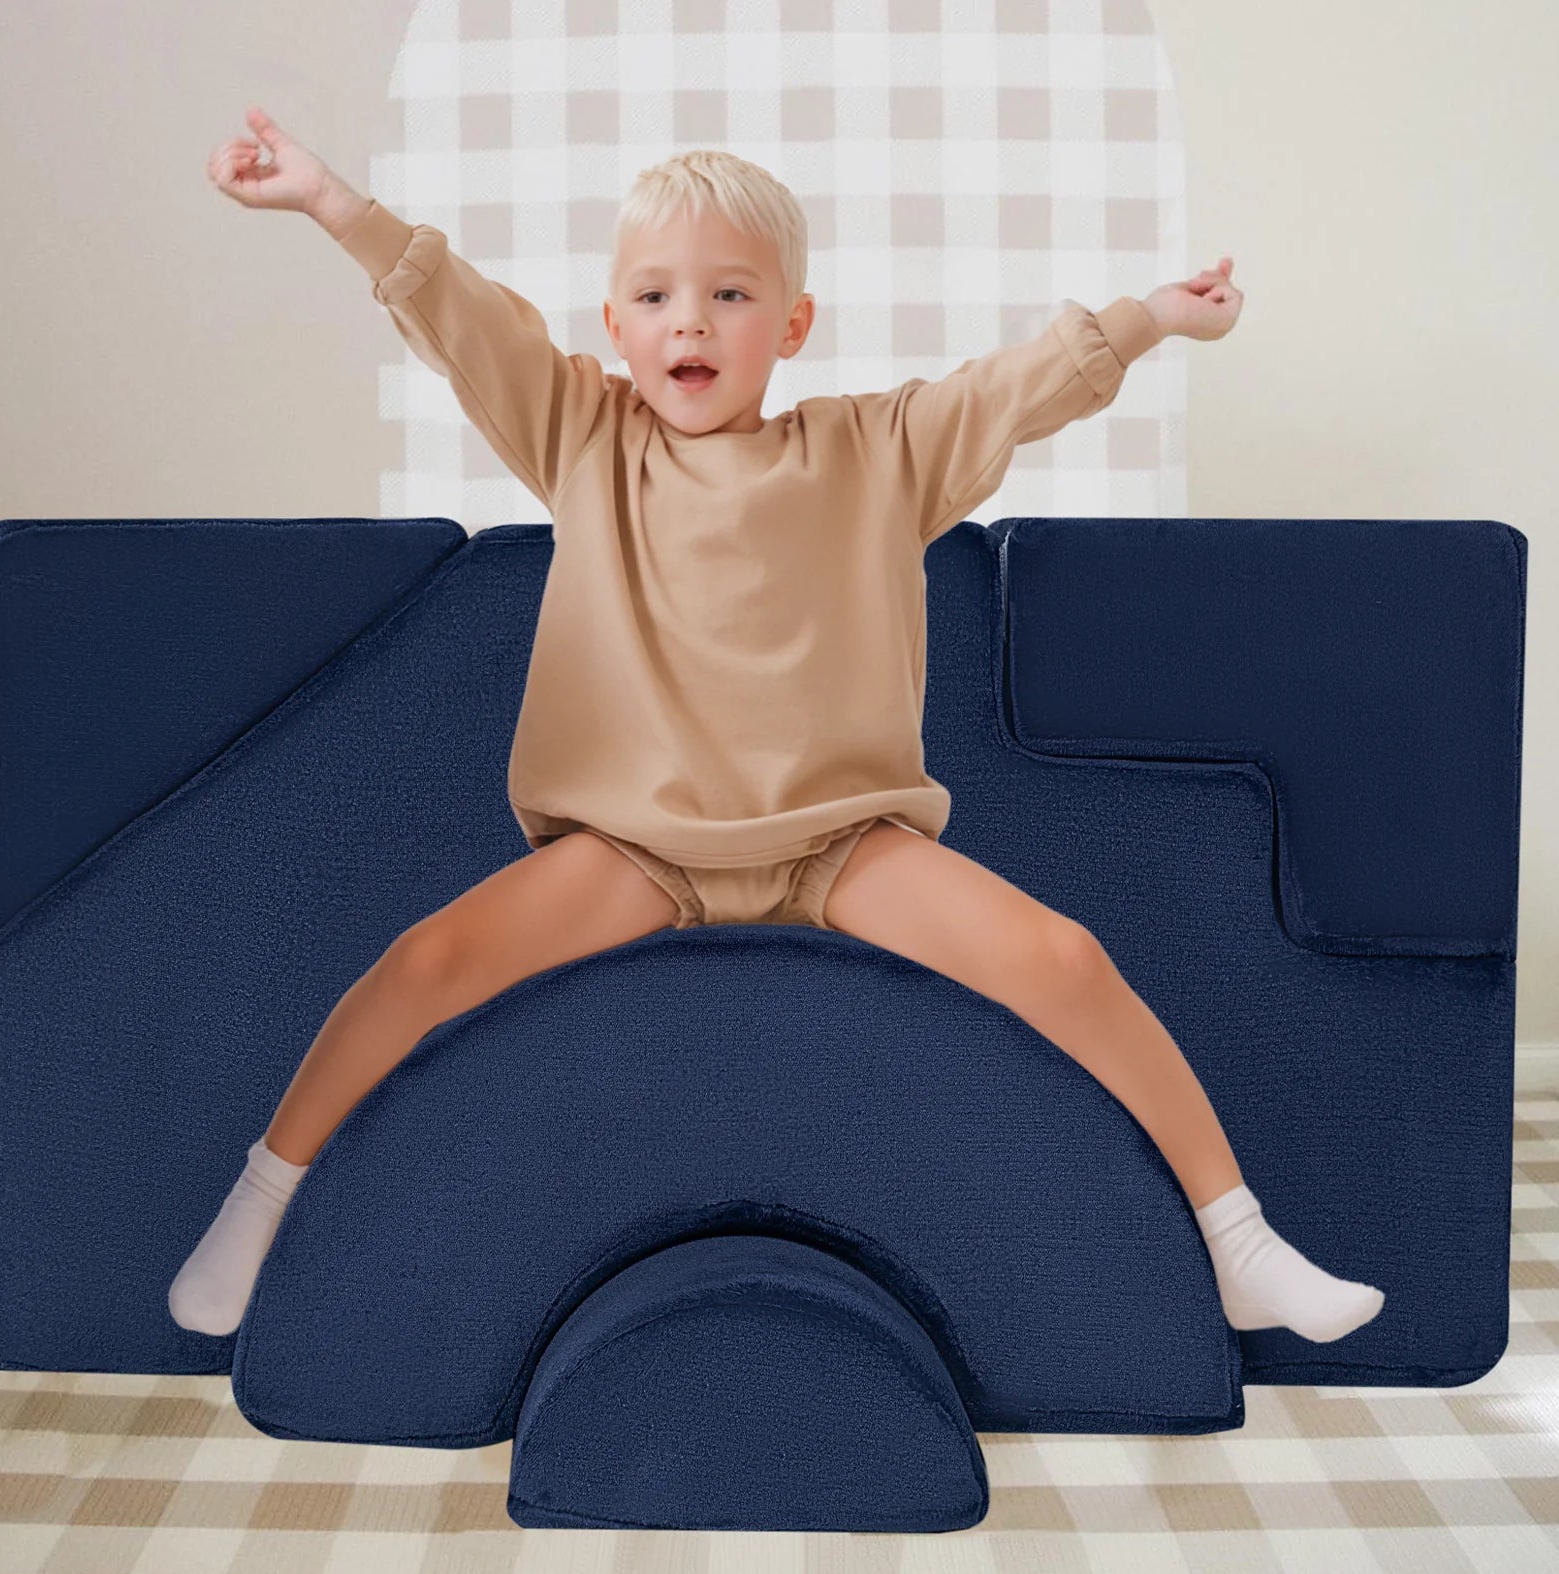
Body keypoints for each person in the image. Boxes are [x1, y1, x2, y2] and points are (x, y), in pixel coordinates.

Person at [171, 105, 1383, 1346]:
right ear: (615, 328)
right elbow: (463, 320)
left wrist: (1152, 316)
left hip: (837, 844)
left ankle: (1240, 1239)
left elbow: (1014, 391)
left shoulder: (874, 450)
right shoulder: (583, 437)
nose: (688, 319)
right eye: (653, 294)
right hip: (638, 851)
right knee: (424, 963)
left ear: (791, 323)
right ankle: (257, 1209)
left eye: (729, 293)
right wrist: (329, 201)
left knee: (1064, 957)